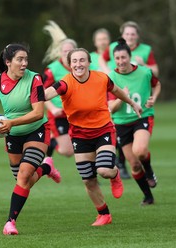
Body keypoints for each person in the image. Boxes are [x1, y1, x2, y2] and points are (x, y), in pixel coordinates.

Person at [45, 48, 142, 226]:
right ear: (69, 64)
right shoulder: (65, 83)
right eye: (74, 61)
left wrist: (132, 102)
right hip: (80, 135)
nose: (78, 64)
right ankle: (104, 214)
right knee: (88, 180)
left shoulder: (101, 78)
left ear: (89, 62)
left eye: (82, 60)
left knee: (104, 170)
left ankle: (114, 175)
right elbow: (46, 94)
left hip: (103, 130)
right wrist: (29, 92)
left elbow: (117, 90)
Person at [0, 43, 62, 235]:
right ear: (8, 62)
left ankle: (10, 223)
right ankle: (47, 167)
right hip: (12, 136)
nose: (24, 63)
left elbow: (38, 113)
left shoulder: (35, 79)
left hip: (36, 130)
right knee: (23, 179)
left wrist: (11, 123)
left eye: (26, 59)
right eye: (20, 59)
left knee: (24, 176)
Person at [108, 38, 161, 204]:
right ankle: (148, 196)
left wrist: (153, 98)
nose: (120, 61)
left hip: (142, 117)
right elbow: (111, 108)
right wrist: (122, 97)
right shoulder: (111, 78)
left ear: (129, 57)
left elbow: (157, 84)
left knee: (140, 150)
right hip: (121, 123)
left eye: (123, 57)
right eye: (117, 58)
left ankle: (150, 170)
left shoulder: (144, 72)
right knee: (134, 165)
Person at [89, 28, 131, 180]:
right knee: (93, 133)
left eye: (105, 38)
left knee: (116, 129)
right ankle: (94, 169)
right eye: (100, 39)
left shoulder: (115, 53)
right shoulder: (90, 58)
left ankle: (120, 164)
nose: (103, 41)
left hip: (113, 92)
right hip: (95, 98)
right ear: (95, 42)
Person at [41, 20, 75, 161]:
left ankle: (91, 173)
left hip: (77, 113)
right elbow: (41, 93)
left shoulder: (81, 67)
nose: (67, 54)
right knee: (67, 151)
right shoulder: (52, 70)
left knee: (85, 145)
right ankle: (52, 140)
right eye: (65, 51)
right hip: (59, 115)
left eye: (70, 51)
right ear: (60, 53)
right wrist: (53, 108)